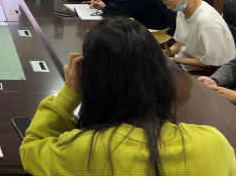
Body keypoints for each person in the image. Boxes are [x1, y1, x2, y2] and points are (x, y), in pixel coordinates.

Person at [20, 18, 236, 176]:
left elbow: (31, 149)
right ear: (161, 75)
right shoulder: (214, 144)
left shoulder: (81, 151)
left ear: (91, 80)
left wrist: (69, 94)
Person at [149, 0, 236, 69]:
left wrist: (176, 60)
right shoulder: (181, 12)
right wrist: (164, 54)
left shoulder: (206, 21)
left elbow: (215, 63)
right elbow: (181, 43)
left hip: (201, 71)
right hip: (183, 64)